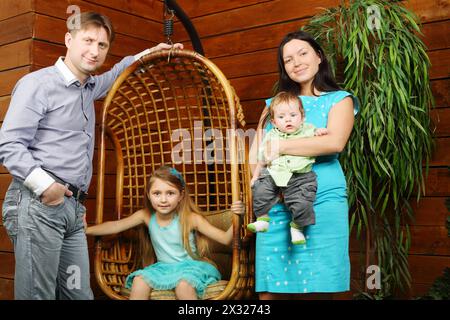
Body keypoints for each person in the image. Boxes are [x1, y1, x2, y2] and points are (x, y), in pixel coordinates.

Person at [0, 11, 183, 300]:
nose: (94, 51)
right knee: (38, 295)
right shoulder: (39, 84)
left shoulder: (89, 87)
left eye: (102, 45)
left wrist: (151, 53)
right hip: (39, 204)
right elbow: (9, 144)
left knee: (78, 294)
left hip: (72, 211)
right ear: (68, 39)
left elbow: (117, 72)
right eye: (88, 40)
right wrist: (47, 188)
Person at [250, 30, 358, 299]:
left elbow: (334, 143)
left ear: (319, 57)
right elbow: (256, 153)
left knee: (319, 287)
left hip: (322, 200)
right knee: (270, 290)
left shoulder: (340, 100)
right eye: (288, 59)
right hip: (276, 200)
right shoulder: (273, 105)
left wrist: (281, 146)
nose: (296, 62)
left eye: (302, 53)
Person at [86, 166, 244, 300]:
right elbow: (115, 226)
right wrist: (86, 230)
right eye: (157, 193)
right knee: (139, 280)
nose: (163, 199)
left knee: (183, 285)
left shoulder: (190, 218)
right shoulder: (146, 216)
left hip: (190, 268)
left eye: (170, 193)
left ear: (181, 195)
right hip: (163, 268)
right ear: (149, 195)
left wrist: (239, 217)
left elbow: (225, 239)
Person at [248, 91, 328, 245]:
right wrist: (255, 176)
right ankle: (263, 218)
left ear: (302, 116)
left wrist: (319, 132)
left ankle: (297, 227)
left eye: (293, 115)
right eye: (281, 117)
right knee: (260, 191)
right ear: (274, 121)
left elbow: (321, 141)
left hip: (301, 176)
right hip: (273, 174)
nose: (288, 120)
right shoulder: (271, 135)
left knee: (303, 203)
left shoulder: (308, 129)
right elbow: (261, 159)